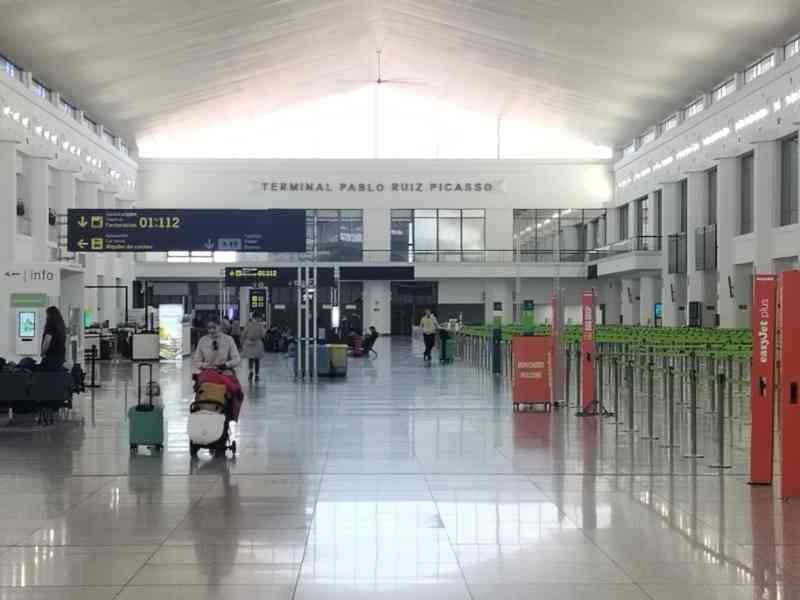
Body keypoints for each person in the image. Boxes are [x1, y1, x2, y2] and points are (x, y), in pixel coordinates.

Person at [40, 306, 67, 371]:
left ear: (50, 315)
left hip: (51, 356)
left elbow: (47, 341)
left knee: (46, 375)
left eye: (47, 314)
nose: (46, 317)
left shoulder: (50, 325)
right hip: (60, 355)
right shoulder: (61, 326)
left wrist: (43, 352)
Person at [241, 315, 265, 382]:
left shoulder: (248, 324)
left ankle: (251, 371)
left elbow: (244, 333)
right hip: (257, 343)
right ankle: (257, 375)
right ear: (258, 318)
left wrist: (242, 341)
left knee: (250, 359)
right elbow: (263, 334)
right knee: (257, 360)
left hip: (249, 343)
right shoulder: (260, 325)